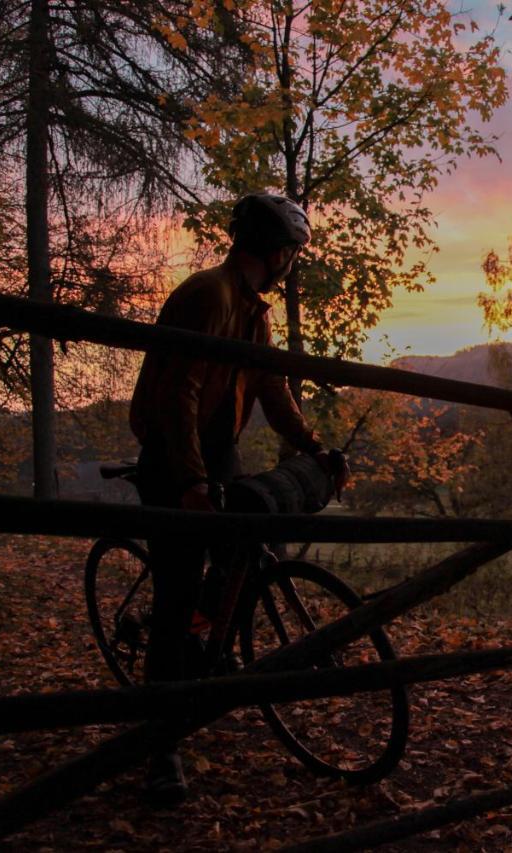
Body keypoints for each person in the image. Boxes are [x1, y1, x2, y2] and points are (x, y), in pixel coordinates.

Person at [128, 193, 326, 805]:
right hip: (172, 454)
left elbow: (270, 383)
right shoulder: (209, 295)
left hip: (216, 451)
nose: (293, 260)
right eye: (292, 250)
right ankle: (160, 747)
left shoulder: (252, 309)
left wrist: (313, 445)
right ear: (276, 251)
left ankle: (202, 642)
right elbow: (178, 393)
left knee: (255, 544)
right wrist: (188, 480)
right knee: (177, 587)